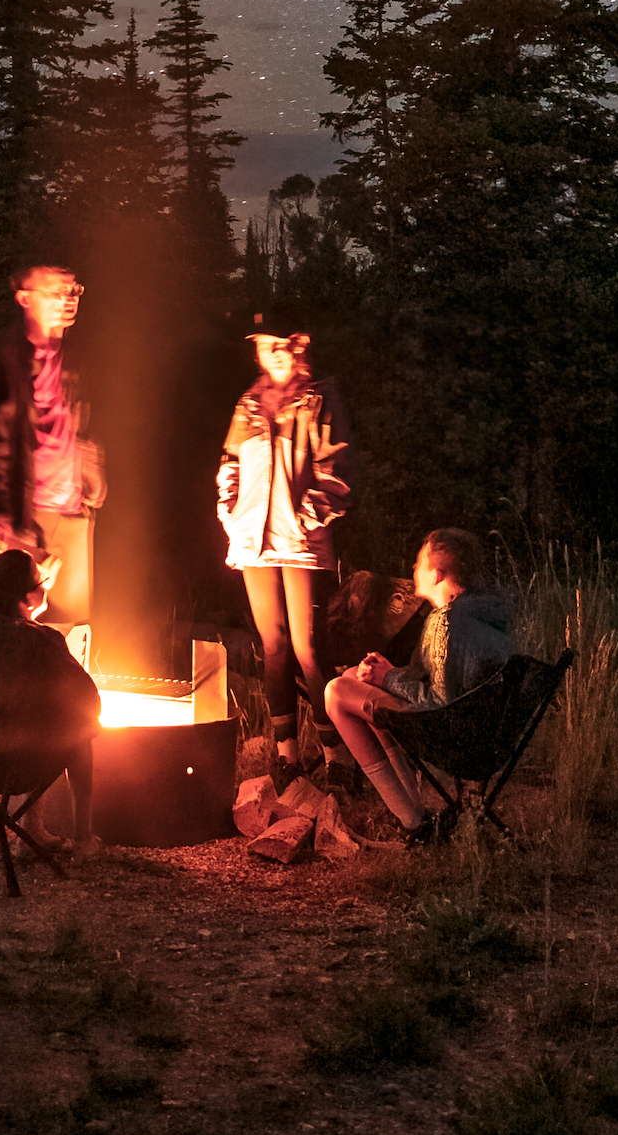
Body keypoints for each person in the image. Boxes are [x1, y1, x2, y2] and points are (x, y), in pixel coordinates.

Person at [323, 527, 519, 846]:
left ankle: (415, 823)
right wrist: (389, 672)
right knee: (351, 680)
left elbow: (440, 701)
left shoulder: (448, 623)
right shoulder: (483, 612)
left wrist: (387, 678)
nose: (413, 568)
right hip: (483, 735)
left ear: (438, 574)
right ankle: (418, 813)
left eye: (419, 561)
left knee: (336, 692)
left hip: (450, 735)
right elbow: (451, 683)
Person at [216, 326, 350, 771]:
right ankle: (287, 756)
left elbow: (335, 474)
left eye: (280, 346)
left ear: (299, 348)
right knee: (272, 646)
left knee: (308, 649)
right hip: (254, 543)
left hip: (300, 545)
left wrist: (306, 519)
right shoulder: (248, 406)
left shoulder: (318, 401)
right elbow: (229, 464)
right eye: (262, 346)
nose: (271, 354)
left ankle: (335, 757)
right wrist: (230, 512)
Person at [0, 254, 106, 628]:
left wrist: (91, 472)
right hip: (25, 519)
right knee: (12, 621)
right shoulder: (6, 367)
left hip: (72, 513)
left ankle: (70, 685)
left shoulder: (75, 360)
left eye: (73, 289)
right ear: (25, 298)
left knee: (70, 627)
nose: (67, 298)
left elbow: (81, 430)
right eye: (55, 291)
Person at [0, 542, 101, 849]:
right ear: (29, 596)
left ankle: (33, 825)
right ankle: (83, 838)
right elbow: (90, 702)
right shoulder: (42, 640)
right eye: (39, 576)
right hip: (24, 763)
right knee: (81, 731)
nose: (45, 577)